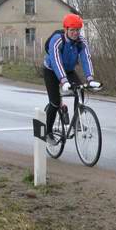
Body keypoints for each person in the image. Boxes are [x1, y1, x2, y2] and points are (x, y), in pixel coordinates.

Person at [43, 13, 99, 144]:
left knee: (80, 90)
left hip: (68, 70)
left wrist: (90, 79)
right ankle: (48, 132)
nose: (75, 33)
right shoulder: (57, 39)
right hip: (51, 70)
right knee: (55, 102)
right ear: (66, 29)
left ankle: (76, 121)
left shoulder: (81, 41)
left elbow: (86, 59)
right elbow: (56, 62)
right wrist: (64, 81)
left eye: (77, 30)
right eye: (72, 30)